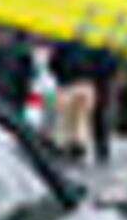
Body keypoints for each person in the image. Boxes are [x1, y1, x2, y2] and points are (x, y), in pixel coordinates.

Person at [49, 35, 118, 166]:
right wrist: (96, 78)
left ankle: (65, 144)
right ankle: (80, 144)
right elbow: (110, 65)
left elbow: (53, 63)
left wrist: (61, 77)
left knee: (66, 118)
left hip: (68, 84)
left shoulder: (64, 42)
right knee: (83, 118)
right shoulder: (99, 44)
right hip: (88, 85)